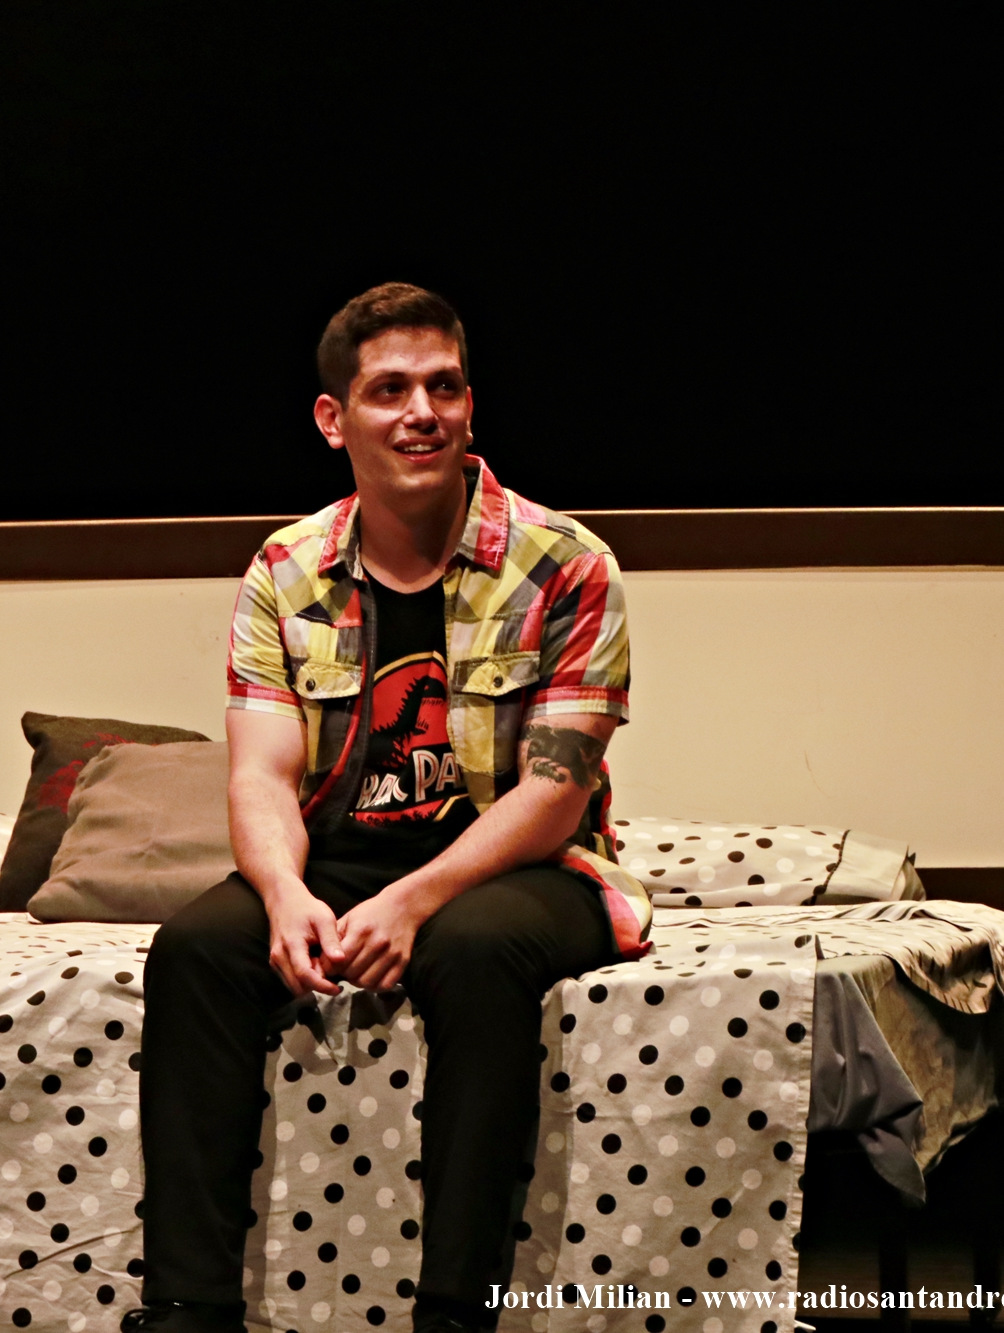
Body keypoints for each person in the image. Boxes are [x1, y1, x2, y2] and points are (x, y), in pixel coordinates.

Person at [125, 284, 652, 1333]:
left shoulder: (565, 563)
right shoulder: (286, 569)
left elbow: (555, 793)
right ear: (334, 419)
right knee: (194, 949)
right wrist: (283, 895)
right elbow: (260, 776)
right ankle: (188, 1308)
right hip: (339, 854)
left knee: (472, 947)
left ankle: (454, 1310)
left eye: (443, 387)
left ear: (470, 406)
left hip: (522, 865)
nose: (422, 412)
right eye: (389, 390)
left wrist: (413, 902)